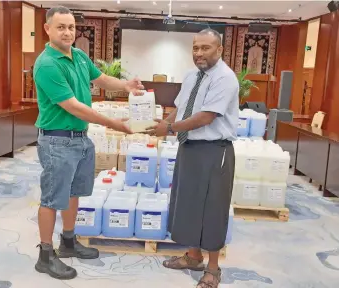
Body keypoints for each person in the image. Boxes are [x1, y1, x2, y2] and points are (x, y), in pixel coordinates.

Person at [33, 6, 144, 280]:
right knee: (51, 198)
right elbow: (74, 107)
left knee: (74, 193)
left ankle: (68, 242)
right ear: (47, 29)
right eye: (61, 27)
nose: (68, 32)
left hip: (80, 140)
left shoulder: (79, 56)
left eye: (71, 27)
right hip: (57, 141)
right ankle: (45, 255)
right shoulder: (47, 64)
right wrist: (115, 125)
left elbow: (101, 78)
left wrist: (126, 86)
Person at [146, 28, 239, 288]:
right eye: (195, 47)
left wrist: (171, 129)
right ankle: (194, 256)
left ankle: (212, 268)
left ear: (219, 50)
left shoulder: (225, 78)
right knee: (188, 203)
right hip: (190, 149)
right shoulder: (191, 76)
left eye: (205, 48)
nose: (199, 53)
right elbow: (181, 107)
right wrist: (165, 123)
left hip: (214, 152)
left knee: (212, 209)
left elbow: (205, 117)